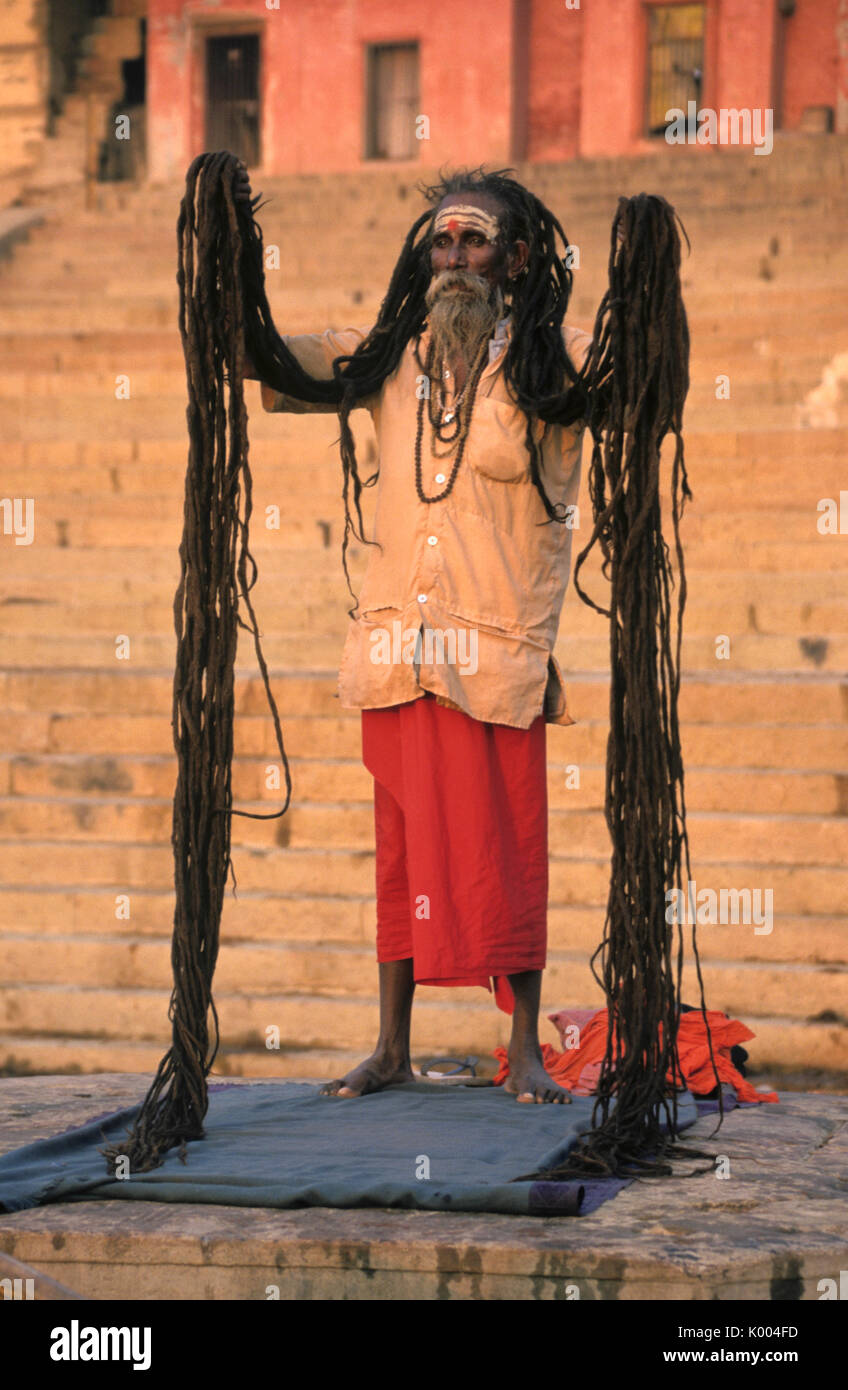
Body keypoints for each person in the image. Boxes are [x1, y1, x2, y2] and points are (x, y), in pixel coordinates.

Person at [239, 166, 593, 1103]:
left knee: (507, 854)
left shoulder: (554, 360)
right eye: (442, 242)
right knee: (401, 860)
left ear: (515, 258)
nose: (455, 258)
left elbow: (634, 373)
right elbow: (270, 357)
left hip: (495, 655)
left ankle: (523, 1053)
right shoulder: (387, 356)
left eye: (474, 241)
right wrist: (230, 255)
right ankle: (392, 1047)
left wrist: (644, 269)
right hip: (399, 651)